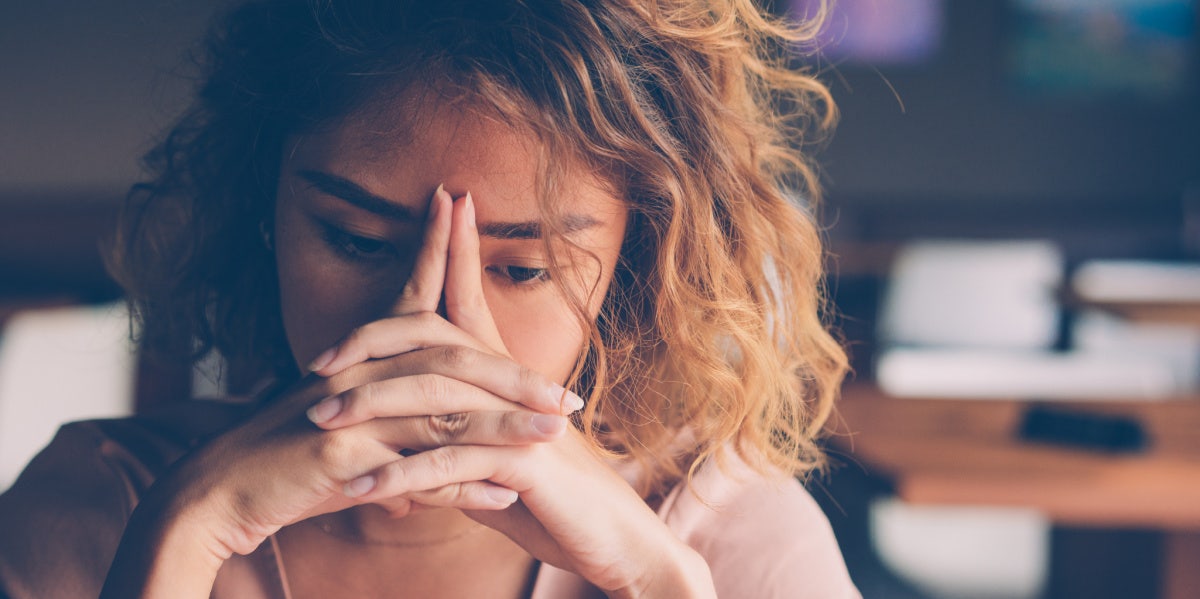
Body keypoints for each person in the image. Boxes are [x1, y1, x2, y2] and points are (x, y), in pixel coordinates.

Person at [0, 0, 857, 597]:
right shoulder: (103, 506)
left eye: (525, 267)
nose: (435, 329)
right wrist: (187, 536)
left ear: (634, 263)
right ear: (263, 209)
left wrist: (661, 583)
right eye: (357, 241)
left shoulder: (725, 535)